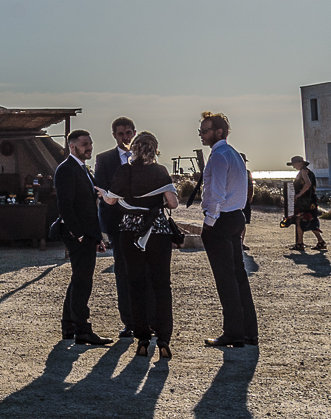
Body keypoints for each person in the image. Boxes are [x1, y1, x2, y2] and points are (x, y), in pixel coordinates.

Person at [99, 130, 187, 361]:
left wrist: (103, 193)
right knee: (161, 284)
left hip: (130, 232)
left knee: (135, 284)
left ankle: (142, 339)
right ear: (155, 149)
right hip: (157, 231)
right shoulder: (160, 171)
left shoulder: (124, 170)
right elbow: (173, 203)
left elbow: (110, 200)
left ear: (134, 149)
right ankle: (164, 338)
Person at [198, 111, 257, 349]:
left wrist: (210, 222)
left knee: (226, 280)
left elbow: (217, 194)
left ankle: (233, 333)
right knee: (238, 276)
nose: (201, 135)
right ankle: (248, 333)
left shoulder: (220, 156)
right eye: (200, 131)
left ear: (219, 132)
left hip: (222, 220)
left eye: (205, 130)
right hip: (236, 217)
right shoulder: (233, 154)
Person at [54, 130, 110, 345]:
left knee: (79, 279)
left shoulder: (83, 169)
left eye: (90, 143)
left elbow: (89, 207)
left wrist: (98, 237)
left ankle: (69, 326)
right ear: (72, 146)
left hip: (87, 234)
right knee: (83, 282)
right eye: (85, 144)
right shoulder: (66, 169)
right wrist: (77, 234)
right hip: (77, 234)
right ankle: (82, 330)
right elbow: (65, 206)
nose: (89, 147)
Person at [91, 117, 138, 339]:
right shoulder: (105, 159)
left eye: (128, 132)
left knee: (146, 272)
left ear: (134, 132)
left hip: (143, 224)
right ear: (114, 135)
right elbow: (100, 190)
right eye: (121, 134)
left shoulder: (144, 157)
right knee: (123, 271)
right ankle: (129, 322)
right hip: (117, 225)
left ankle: (148, 320)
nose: (125, 137)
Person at [284, 156, 326, 253]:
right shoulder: (309, 172)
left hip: (305, 202)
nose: (294, 167)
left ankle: (301, 243)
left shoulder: (303, 171)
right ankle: (318, 242)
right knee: (307, 220)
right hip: (310, 201)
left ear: (299, 163)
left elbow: (308, 184)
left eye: (294, 164)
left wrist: (299, 194)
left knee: (302, 220)